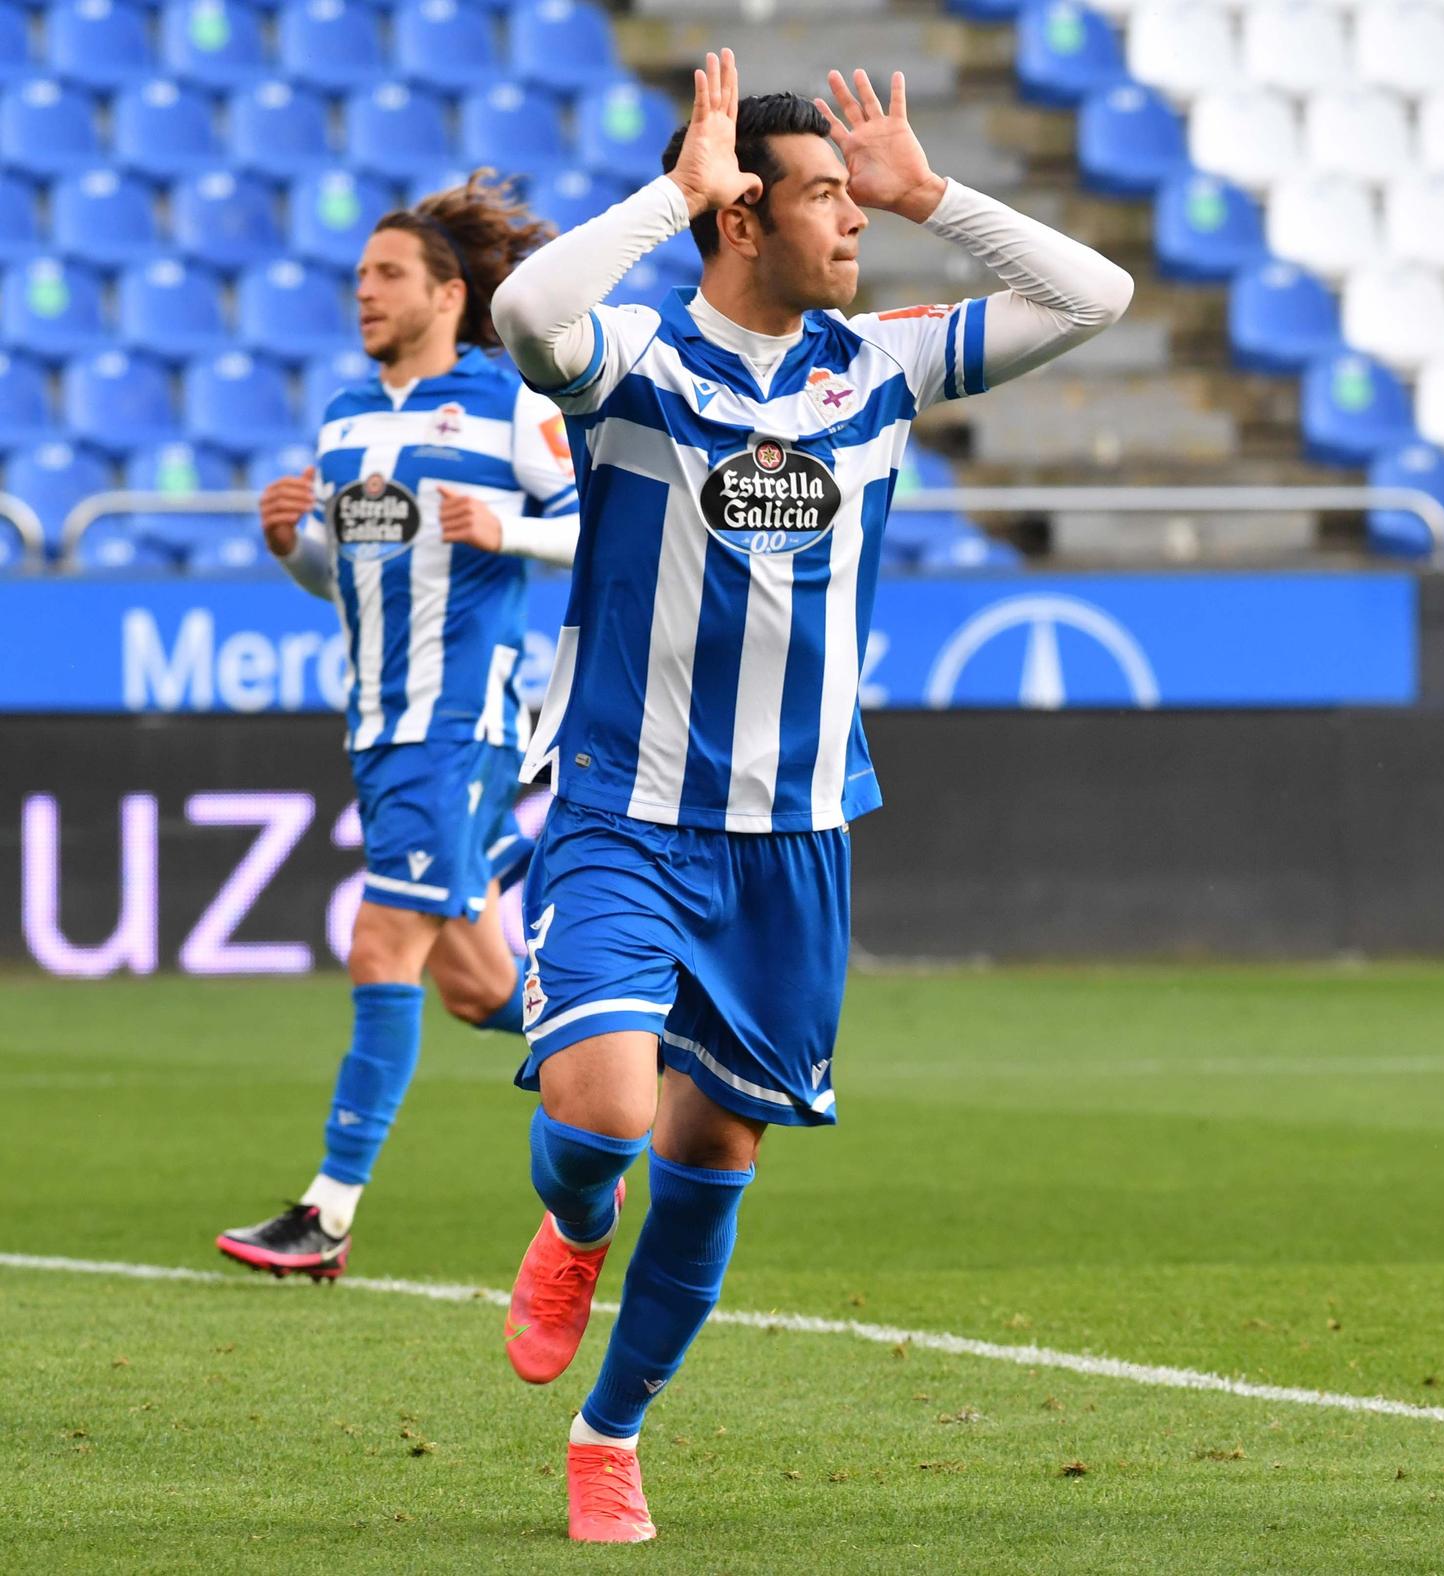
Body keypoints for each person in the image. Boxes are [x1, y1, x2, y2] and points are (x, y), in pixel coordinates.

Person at [489, 51, 1134, 1542]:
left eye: (861, 200)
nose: (857, 223)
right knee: (601, 1115)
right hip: (625, 810)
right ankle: (575, 1219)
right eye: (830, 198)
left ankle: (612, 1433)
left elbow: (1092, 297)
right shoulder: (635, 366)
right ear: (740, 217)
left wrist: (938, 194)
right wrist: (671, 191)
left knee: (712, 1157)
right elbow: (525, 312)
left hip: (796, 836)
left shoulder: (877, 367)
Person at [216, 172, 582, 1281]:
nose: (363, 292)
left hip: (459, 723)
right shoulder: (343, 421)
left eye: (387, 275)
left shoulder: (514, 406)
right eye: (359, 275)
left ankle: (326, 1211)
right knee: (476, 984)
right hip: (378, 726)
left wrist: (511, 525)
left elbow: (606, 534)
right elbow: (348, 581)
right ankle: (653, 1052)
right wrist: (294, 548)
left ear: (449, 293)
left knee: (381, 941)